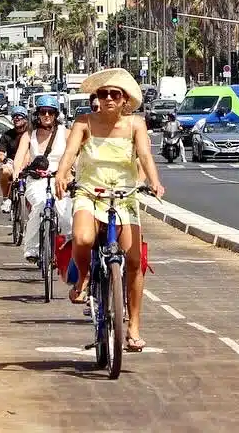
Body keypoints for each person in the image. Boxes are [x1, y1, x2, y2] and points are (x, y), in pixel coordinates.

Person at [54, 68, 165, 354]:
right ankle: (84, 278)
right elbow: (69, 154)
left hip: (124, 195)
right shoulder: (84, 122)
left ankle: (134, 327)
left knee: (134, 261)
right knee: (83, 239)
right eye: (102, 94)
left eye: (114, 94)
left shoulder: (136, 125)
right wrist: (62, 175)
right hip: (89, 192)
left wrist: (154, 182)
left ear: (125, 99)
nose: (108, 99)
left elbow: (144, 155)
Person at [13, 95, 72, 264]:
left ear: (56, 115)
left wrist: (72, 174)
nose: (47, 115)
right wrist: (16, 173)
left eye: (51, 112)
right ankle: (32, 248)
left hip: (59, 179)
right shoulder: (28, 135)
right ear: (37, 114)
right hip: (36, 180)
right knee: (39, 205)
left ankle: (63, 249)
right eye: (43, 112)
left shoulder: (66, 133)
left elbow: (75, 156)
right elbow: (19, 158)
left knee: (66, 216)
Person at [0, 107, 30, 214]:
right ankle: (6, 199)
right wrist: (3, 159)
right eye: (14, 117)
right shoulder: (7, 135)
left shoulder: (32, 134)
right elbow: (0, 153)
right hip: (11, 162)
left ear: (25, 119)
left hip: (30, 163)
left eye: (19, 116)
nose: (16, 119)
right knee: (4, 171)